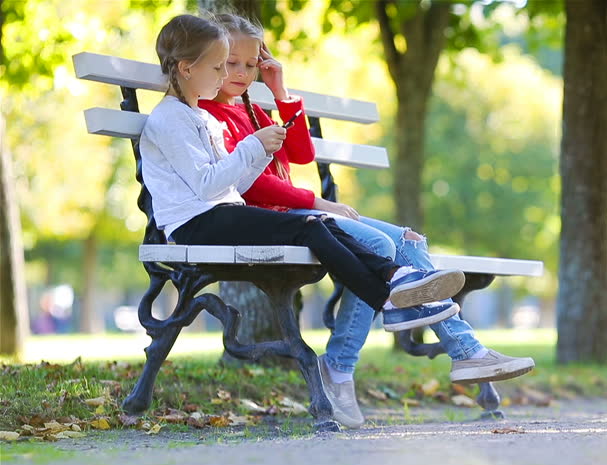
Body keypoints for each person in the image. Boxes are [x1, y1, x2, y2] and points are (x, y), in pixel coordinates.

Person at [198, 13, 536, 429]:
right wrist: (321, 203)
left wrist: (279, 90)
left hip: (303, 213)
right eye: (231, 63)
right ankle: (345, 366)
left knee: (411, 242)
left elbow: (301, 154)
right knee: (381, 245)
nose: (242, 73)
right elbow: (251, 187)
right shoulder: (213, 117)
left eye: (251, 64)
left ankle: (465, 354)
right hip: (280, 220)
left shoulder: (252, 110)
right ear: (212, 60)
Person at [141, 13, 473, 420]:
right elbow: (206, 185)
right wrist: (251, 147)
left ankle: (391, 283)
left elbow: (237, 178)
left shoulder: (201, 116)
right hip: (198, 225)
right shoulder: (169, 118)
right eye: (218, 67)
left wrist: (259, 148)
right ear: (185, 68)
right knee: (309, 225)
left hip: (222, 213)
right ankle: (389, 293)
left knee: (315, 226)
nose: (223, 75)